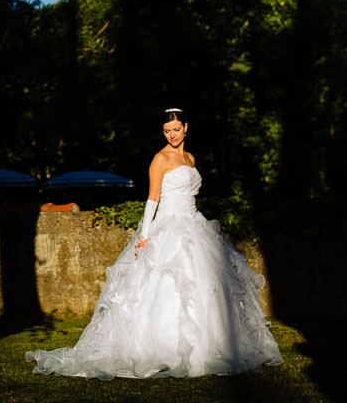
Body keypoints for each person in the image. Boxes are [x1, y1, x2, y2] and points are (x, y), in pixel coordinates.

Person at [25, 108, 283, 378]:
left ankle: (209, 348)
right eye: (167, 131)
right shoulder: (160, 159)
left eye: (176, 129)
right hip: (168, 225)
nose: (172, 135)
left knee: (205, 286)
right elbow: (153, 198)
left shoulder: (191, 158)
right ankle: (162, 348)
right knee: (166, 285)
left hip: (194, 225)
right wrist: (144, 236)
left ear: (186, 127)